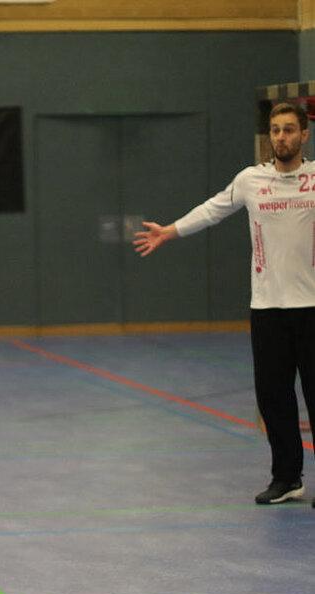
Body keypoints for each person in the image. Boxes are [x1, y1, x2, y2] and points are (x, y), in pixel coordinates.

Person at [134, 102, 315, 506]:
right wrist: (169, 231)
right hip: (268, 308)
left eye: (289, 129)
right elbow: (213, 209)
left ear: (304, 135)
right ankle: (287, 477)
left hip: (312, 307)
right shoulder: (251, 180)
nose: (281, 137)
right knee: (274, 397)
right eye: (275, 129)